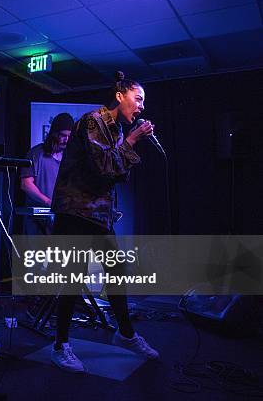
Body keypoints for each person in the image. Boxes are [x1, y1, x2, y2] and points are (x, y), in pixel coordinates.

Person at [49, 71, 159, 373]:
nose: (141, 107)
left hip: (98, 215)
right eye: (138, 99)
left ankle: (125, 333)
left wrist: (129, 144)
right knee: (73, 278)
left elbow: (117, 173)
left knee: (116, 272)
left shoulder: (116, 131)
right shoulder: (92, 122)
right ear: (120, 95)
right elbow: (103, 167)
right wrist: (133, 140)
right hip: (76, 213)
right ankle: (60, 345)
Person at [20, 113, 73, 235]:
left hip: (60, 219)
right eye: (63, 136)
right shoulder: (36, 154)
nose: (67, 140)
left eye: (70, 136)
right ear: (54, 133)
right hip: (37, 221)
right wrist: (48, 202)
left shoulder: (70, 158)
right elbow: (26, 184)